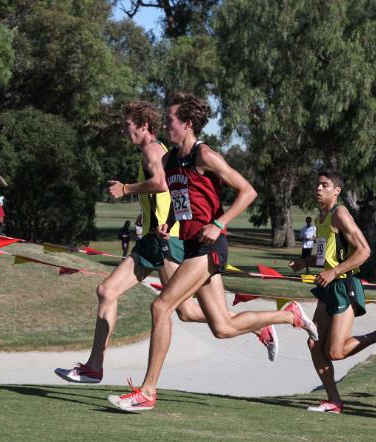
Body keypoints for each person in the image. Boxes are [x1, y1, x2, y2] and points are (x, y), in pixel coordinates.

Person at [107, 92, 318, 412]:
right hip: (192, 245)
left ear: (187, 124)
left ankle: (148, 391)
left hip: (209, 247)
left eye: (171, 120)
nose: (166, 124)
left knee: (161, 307)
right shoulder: (170, 160)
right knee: (222, 327)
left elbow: (248, 191)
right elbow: (181, 199)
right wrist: (167, 221)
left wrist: (219, 223)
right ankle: (290, 315)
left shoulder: (204, 155)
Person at [55, 101, 277, 386]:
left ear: (143, 125)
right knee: (110, 291)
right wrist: (159, 217)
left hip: (167, 242)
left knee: (171, 309)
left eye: (127, 125)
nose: (125, 131)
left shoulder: (154, 150)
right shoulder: (167, 153)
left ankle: (256, 326)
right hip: (156, 234)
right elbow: (173, 191)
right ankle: (94, 366)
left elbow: (160, 184)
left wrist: (126, 189)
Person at [289, 170, 376, 414]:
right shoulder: (321, 218)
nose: (318, 189)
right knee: (314, 343)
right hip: (327, 288)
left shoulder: (339, 214)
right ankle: (334, 401)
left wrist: (333, 272)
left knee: (334, 351)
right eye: (317, 184)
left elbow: (363, 251)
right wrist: (305, 262)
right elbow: (327, 255)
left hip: (344, 286)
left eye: (324, 185)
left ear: (337, 191)